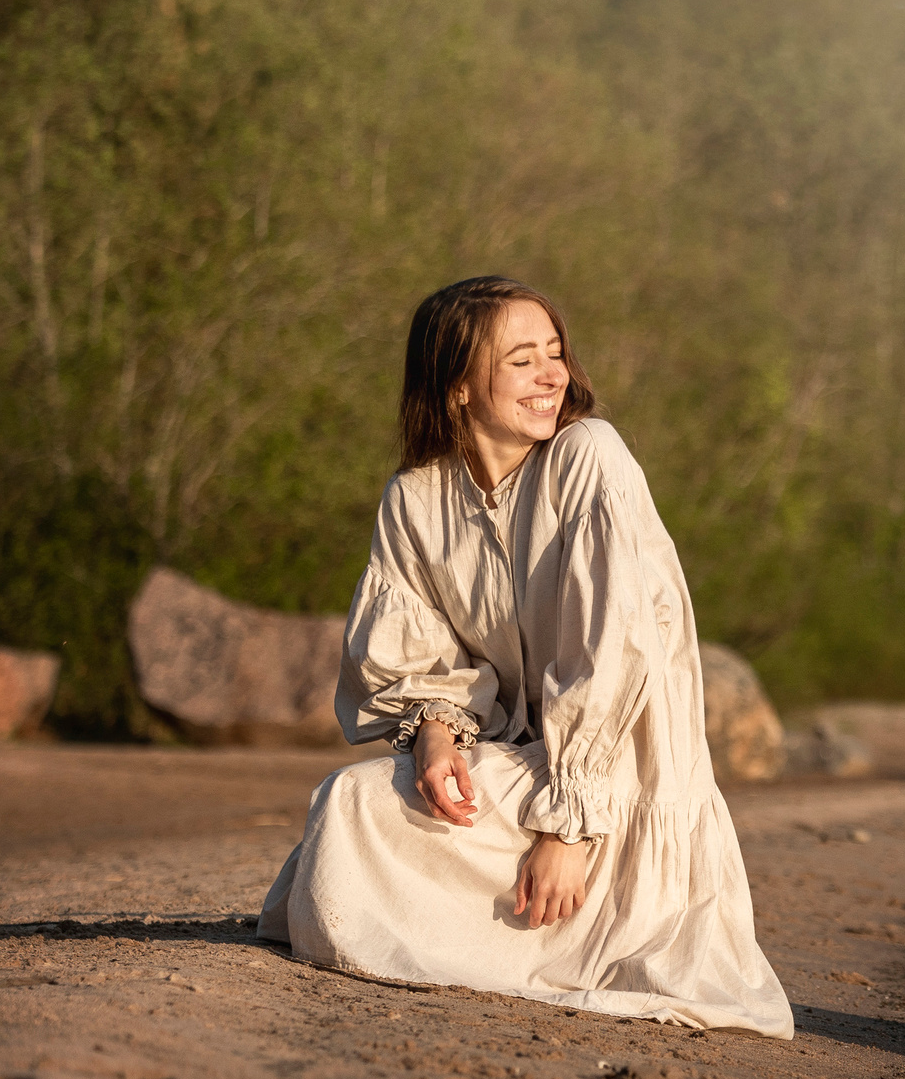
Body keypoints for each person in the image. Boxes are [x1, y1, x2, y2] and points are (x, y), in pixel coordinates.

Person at [257, 275, 792, 1036]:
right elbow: (415, 653)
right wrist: (437, 736)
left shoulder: (588, 457)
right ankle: (507, 934)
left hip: (622, 781)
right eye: (522, 360)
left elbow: (615, 652)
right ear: (457, 389)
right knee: (351, 807)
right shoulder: (416, 498)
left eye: (556, 353)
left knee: (364, 861)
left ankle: (560, 924)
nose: (554, 377)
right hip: (524, 762)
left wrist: (567, 828)